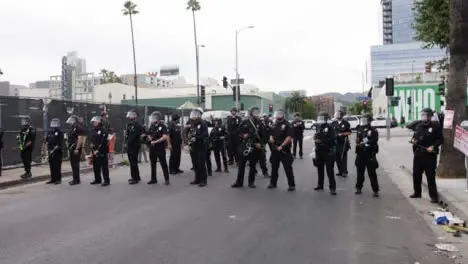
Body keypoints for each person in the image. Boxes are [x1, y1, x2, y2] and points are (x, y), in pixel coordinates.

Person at [410, 108, 443, 203]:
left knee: (430, 175)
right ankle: (417, 192)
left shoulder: (435, 126)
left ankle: (433, 196)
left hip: (430, 155)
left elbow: (440, 140)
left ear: (429, 116)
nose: (423, 117)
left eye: (425, 115)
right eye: (422, 115)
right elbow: (414, 137)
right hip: (419, 153)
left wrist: (433, 146)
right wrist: (414, 141)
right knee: (416, 174)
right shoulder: (419, 126)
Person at [231, 106, 265, 189]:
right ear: (250, 113)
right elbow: (238, 133)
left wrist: (260, 144)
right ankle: (239, 182)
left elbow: (264, 135)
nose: (256, 114)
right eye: (255, 112)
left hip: (255, 146)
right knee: (241, 165)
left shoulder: (260, 123)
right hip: (245, 146)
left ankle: (251, 182)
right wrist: (243, 135)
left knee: (253, 166)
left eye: (257, 112)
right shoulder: (245, 122)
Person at [268, 109, 296, 191]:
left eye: (280, 114)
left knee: (288, 168)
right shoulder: (274, 124)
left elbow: (289, 137)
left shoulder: (288, 124)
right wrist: (271, 138)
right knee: (274, 167)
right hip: (275, 149)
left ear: (283, 115)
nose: (278, 116)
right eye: (277, 114)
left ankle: (291, 185)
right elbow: (271, 133)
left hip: (284, 150)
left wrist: (282, 146)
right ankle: (273, 183)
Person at [355, 114, 380, 197]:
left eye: (364, 120)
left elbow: (374, 139)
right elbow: (358, 139)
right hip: (360, 153)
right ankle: (358, 188)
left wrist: (365, 142)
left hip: (369, 153)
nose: (362, 121)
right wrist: (359, 143)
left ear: (369, 121)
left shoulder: (373, 130)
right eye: (362, 120)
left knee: (371, 173)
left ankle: (375, 190)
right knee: (360, 172)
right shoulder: (359, 129)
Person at [312, 112, 337, 195]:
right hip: (319, 151)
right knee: (320, 169)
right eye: (320, 118)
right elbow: (316, 136)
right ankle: (320, 185)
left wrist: (323, 142)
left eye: (322, 118)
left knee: (329, 170)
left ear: (326, 119)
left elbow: (333, 139)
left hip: (328, 151)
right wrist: (315, 138)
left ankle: (332, 188)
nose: (320, 120)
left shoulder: (330, 128)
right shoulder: (318, 127)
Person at [146, 111, 170, 185]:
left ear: (158, 118)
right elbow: (149, 134)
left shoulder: (163, 126)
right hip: (152, 148)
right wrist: (148, 137)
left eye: (154, 118)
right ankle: (153, 179)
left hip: (160, 147)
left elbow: (165, 136)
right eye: (152, 118)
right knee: (153, 164)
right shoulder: (152, 126)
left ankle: (166, 179)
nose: (153, 119)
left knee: (163, 163)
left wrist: (156, 141)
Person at [187, 108, 209, 187]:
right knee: (195, 163)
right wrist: (190, 137)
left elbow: (205, 134)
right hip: (194, 146)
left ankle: (203, 180)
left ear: (199, 115)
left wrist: (197, 137)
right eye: (193, 114)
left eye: (195, 114)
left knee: (201, 164)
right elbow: (191, 132)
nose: (194, 116)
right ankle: (197, 179)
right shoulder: (193, 123)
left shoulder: (203, 123)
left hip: (201, 146)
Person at [90, 116, 110, 186]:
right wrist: (92, 145)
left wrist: (98, 150)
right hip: (94, 150)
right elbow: (92, 139)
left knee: (104, 166)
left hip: (102, 150)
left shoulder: (103, 130)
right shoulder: (93, 130)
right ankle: (97, 179)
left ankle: (106, 180)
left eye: (95, 122)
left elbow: (103, 141)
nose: (94, 123)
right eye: (93, 122)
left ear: (99, 122)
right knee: (96, 165)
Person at [66, 115, 86, 185]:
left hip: (76, 148)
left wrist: (77, 148)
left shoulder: (78, 127)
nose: (70, 122)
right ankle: (75, 179)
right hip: (72, 148)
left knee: (75, 164)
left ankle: (77, 180)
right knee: (73, 164)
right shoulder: (72, 128)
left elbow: (80, 139)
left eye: (71, 120)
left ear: (74, 120)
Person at [331, 110, 351, 177]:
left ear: (341, 115)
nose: (336, 115)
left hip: (343, 143)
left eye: (338, 114)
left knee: (343, 158)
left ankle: (344, 172)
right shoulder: (333, 123)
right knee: (337, 158)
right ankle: (340, 171)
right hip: (335, 143)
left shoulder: (346, 123)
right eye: (336, 114)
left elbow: (349, 132)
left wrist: (342, 134)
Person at [125, 109, 143, 185]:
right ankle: (136, 176)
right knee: (132, 161)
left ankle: (135, 178)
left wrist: (128, 142)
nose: (129, 116)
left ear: (135, 116)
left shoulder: (137, 124)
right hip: (130, 145)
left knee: (133, 162)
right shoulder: (130, 124)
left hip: (134, 145)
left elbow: (133, 136)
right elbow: (127, 134)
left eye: (131, 115)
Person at [45, 118, 64, 185]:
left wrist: (53, 150)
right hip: (50, 150)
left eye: (55, 122)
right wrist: (47, 150)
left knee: (57, 166)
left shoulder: (60, 132)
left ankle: (58, 179)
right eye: (53, 122)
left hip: (57, 151)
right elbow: (47, 141)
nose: (53, 124)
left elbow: (60, 143)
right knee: (51, 165)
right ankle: (53, 179)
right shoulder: (50, 131)